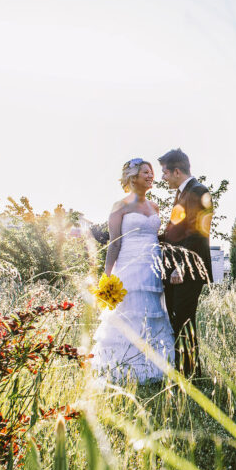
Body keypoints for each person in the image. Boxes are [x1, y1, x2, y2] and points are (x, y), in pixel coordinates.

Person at [89, 158, 174, 383]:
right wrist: (106, 276)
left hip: (152, 268)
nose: (151, 176)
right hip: (129, 266)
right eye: (146, 172)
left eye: (152, 172)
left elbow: (159, 240)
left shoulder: (154, 206)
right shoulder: (121, 206)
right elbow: (115, 243)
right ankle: (123, 369)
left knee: (152, 313)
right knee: (129, 313)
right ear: (133, 177)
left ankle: (151, 370)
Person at [158, 148, 213, 378]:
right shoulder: (181, 194)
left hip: (188, 270)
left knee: (184, 322)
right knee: (177, 321)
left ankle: (191, 374)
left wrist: (181, 266)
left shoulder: (199, 191)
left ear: (177, 171)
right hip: (176, 270)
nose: (163, 178)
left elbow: (198, 234)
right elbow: (175, 234)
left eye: (165, 173)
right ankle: (184, 370)